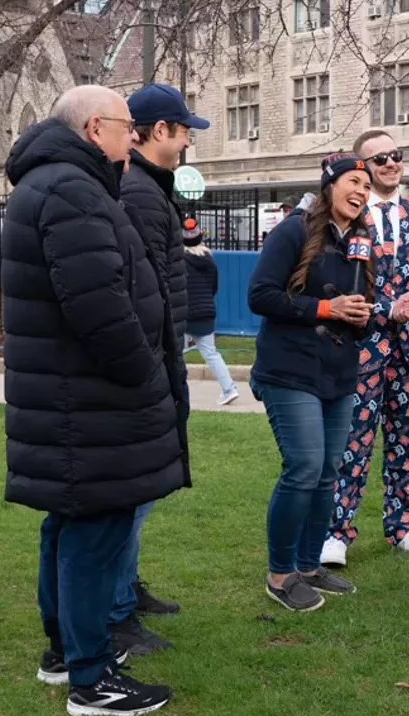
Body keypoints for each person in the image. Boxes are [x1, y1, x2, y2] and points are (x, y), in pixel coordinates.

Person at [2, 85, 184, 716]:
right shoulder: (71, 189)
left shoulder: (57, 183)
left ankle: (66, 655)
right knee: (92, 533)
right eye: (126, 129)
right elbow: (99, 305)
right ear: (95, 127)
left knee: (70, 527)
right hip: (90, 403)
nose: (131, 141)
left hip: (74, 400)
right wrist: (146, 372)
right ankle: (91, 676)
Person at [106, 83, 209, 655]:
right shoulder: (141, 194)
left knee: (137, 493)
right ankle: (117, 607)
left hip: (159, 355)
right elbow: (138, 290)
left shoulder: (149, 189)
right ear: (156, 131)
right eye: (182, 125)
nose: (189, 135)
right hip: (149, 363)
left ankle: (125, 588)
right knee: (131, 494)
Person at [248, 153, 375, 611]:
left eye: (367, 185)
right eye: (353, 181)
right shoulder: (294, 230)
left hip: (337, 374)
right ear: (329, 186)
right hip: (289, 371)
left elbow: (355, 306)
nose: (361, 190)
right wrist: (326, 309)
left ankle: (307, 565)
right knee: (302, 469)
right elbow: (259, 295)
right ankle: (280, 575)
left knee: (327, 475)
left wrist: (363, 315)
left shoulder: (358, 242)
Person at [321, 130, 409, 566]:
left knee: (405, 443)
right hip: (360, 350)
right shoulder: (348, 220)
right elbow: (336, 288)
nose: (390, 163)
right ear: (363, 168)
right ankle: (336, 532)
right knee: (352, 442)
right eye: (378, 159)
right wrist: (386, 309)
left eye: (396, 155)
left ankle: (403, 527)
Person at [182, 218, 240, 406]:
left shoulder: (179, 260)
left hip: (184, 312)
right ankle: (229, 389)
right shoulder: (209, 259)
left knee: (173, 353)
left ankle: (175, 391)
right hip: (206, 311)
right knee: (211, 353)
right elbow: (213, 287)